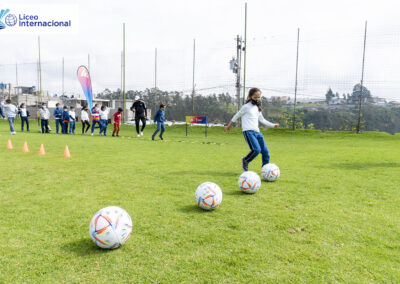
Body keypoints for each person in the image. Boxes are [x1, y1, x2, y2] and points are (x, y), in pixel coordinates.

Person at [225, 88, 279, 171]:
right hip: (248, 132)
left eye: (258, 97)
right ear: (250, 96)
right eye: (255, 97)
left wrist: (273, 125)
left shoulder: (257, 107)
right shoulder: (246, 107)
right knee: (256, 150)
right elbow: (237, 115)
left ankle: (265, 170)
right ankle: (246, 160)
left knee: (265, 152)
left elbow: (262, 120)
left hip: (257, 132)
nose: (257, 99)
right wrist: (229, 125)